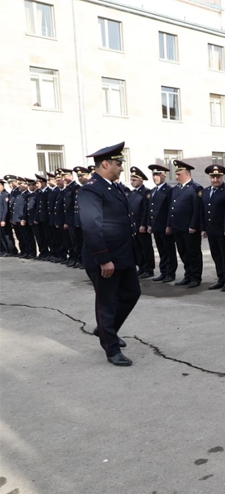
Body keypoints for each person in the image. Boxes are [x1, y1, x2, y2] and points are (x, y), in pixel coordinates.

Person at [78, 141, 139, 366]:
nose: (121, 168)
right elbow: (91, 226)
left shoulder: (113, 187)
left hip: (123, 256)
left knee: (132, 293)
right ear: (105, 164)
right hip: (105, 258)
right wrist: (104, 259)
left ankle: (106, 330)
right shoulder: (91, 189)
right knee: (107, 304)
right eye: (118, 164)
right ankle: (111, 349)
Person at [167, 160, 203, 288]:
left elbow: (197, 209)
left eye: (179, 174)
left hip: (189, 228)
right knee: (183, 253)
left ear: (187, 174)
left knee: (193, 253)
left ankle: (196, 277)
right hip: (177, 227)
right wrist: (169, 224)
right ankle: (188, 275)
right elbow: (171, 208)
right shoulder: (176, 189)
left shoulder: (195, 188)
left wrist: (194, 225)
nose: (176, 177)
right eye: (176, 174)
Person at [202, 164, 225, 291]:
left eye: (218, 177)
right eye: (213, 177)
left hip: (222, 229)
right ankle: (221, 279)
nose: (215, 179)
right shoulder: (205, 191)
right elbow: (203, 211)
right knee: (216, 255)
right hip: (211, 230)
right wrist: (203, 228)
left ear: (223, 177)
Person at [147, 164, 178, 282]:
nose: (155, 177)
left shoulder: (169, 190)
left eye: (157, 175)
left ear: (164, 175)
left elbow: (170, 209)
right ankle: (163, 271)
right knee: (161, 251)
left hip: (165, 226)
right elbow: (150, 209)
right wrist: (150, 224)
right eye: (154, 175)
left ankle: (170, 273)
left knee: (169, 251)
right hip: (156, 226)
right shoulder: (153, 191)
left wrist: (169, 225)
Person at [127, 167, 155, 278]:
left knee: (145, 247)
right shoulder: (132, 193)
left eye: (134, 180)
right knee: (137, 248)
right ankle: (142, 267)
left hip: (141, 225)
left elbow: (146, 210)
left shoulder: (146, 192)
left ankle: (149, 268)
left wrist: (144, 224)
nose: (132, 182)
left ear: (141, 180)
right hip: (134, 225)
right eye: (131, 179)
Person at [62, 168, 82, 267]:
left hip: (74, 219)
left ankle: (80, 259)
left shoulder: (76, 187)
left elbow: (75, 206)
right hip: (69, 220)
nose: (64, 178)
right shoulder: (67, 188)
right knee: (72, 241)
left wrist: (74, 220)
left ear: (71, 176)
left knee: (77, 241)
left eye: (65, 176)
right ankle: (74, 258)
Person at [0, 179, 10, 256]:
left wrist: (3, 219)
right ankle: (2, 250)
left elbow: (5, 208)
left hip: (3, 219)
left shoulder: (5, 195)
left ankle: (9, 250)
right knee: (1, 236)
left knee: (6, 236)